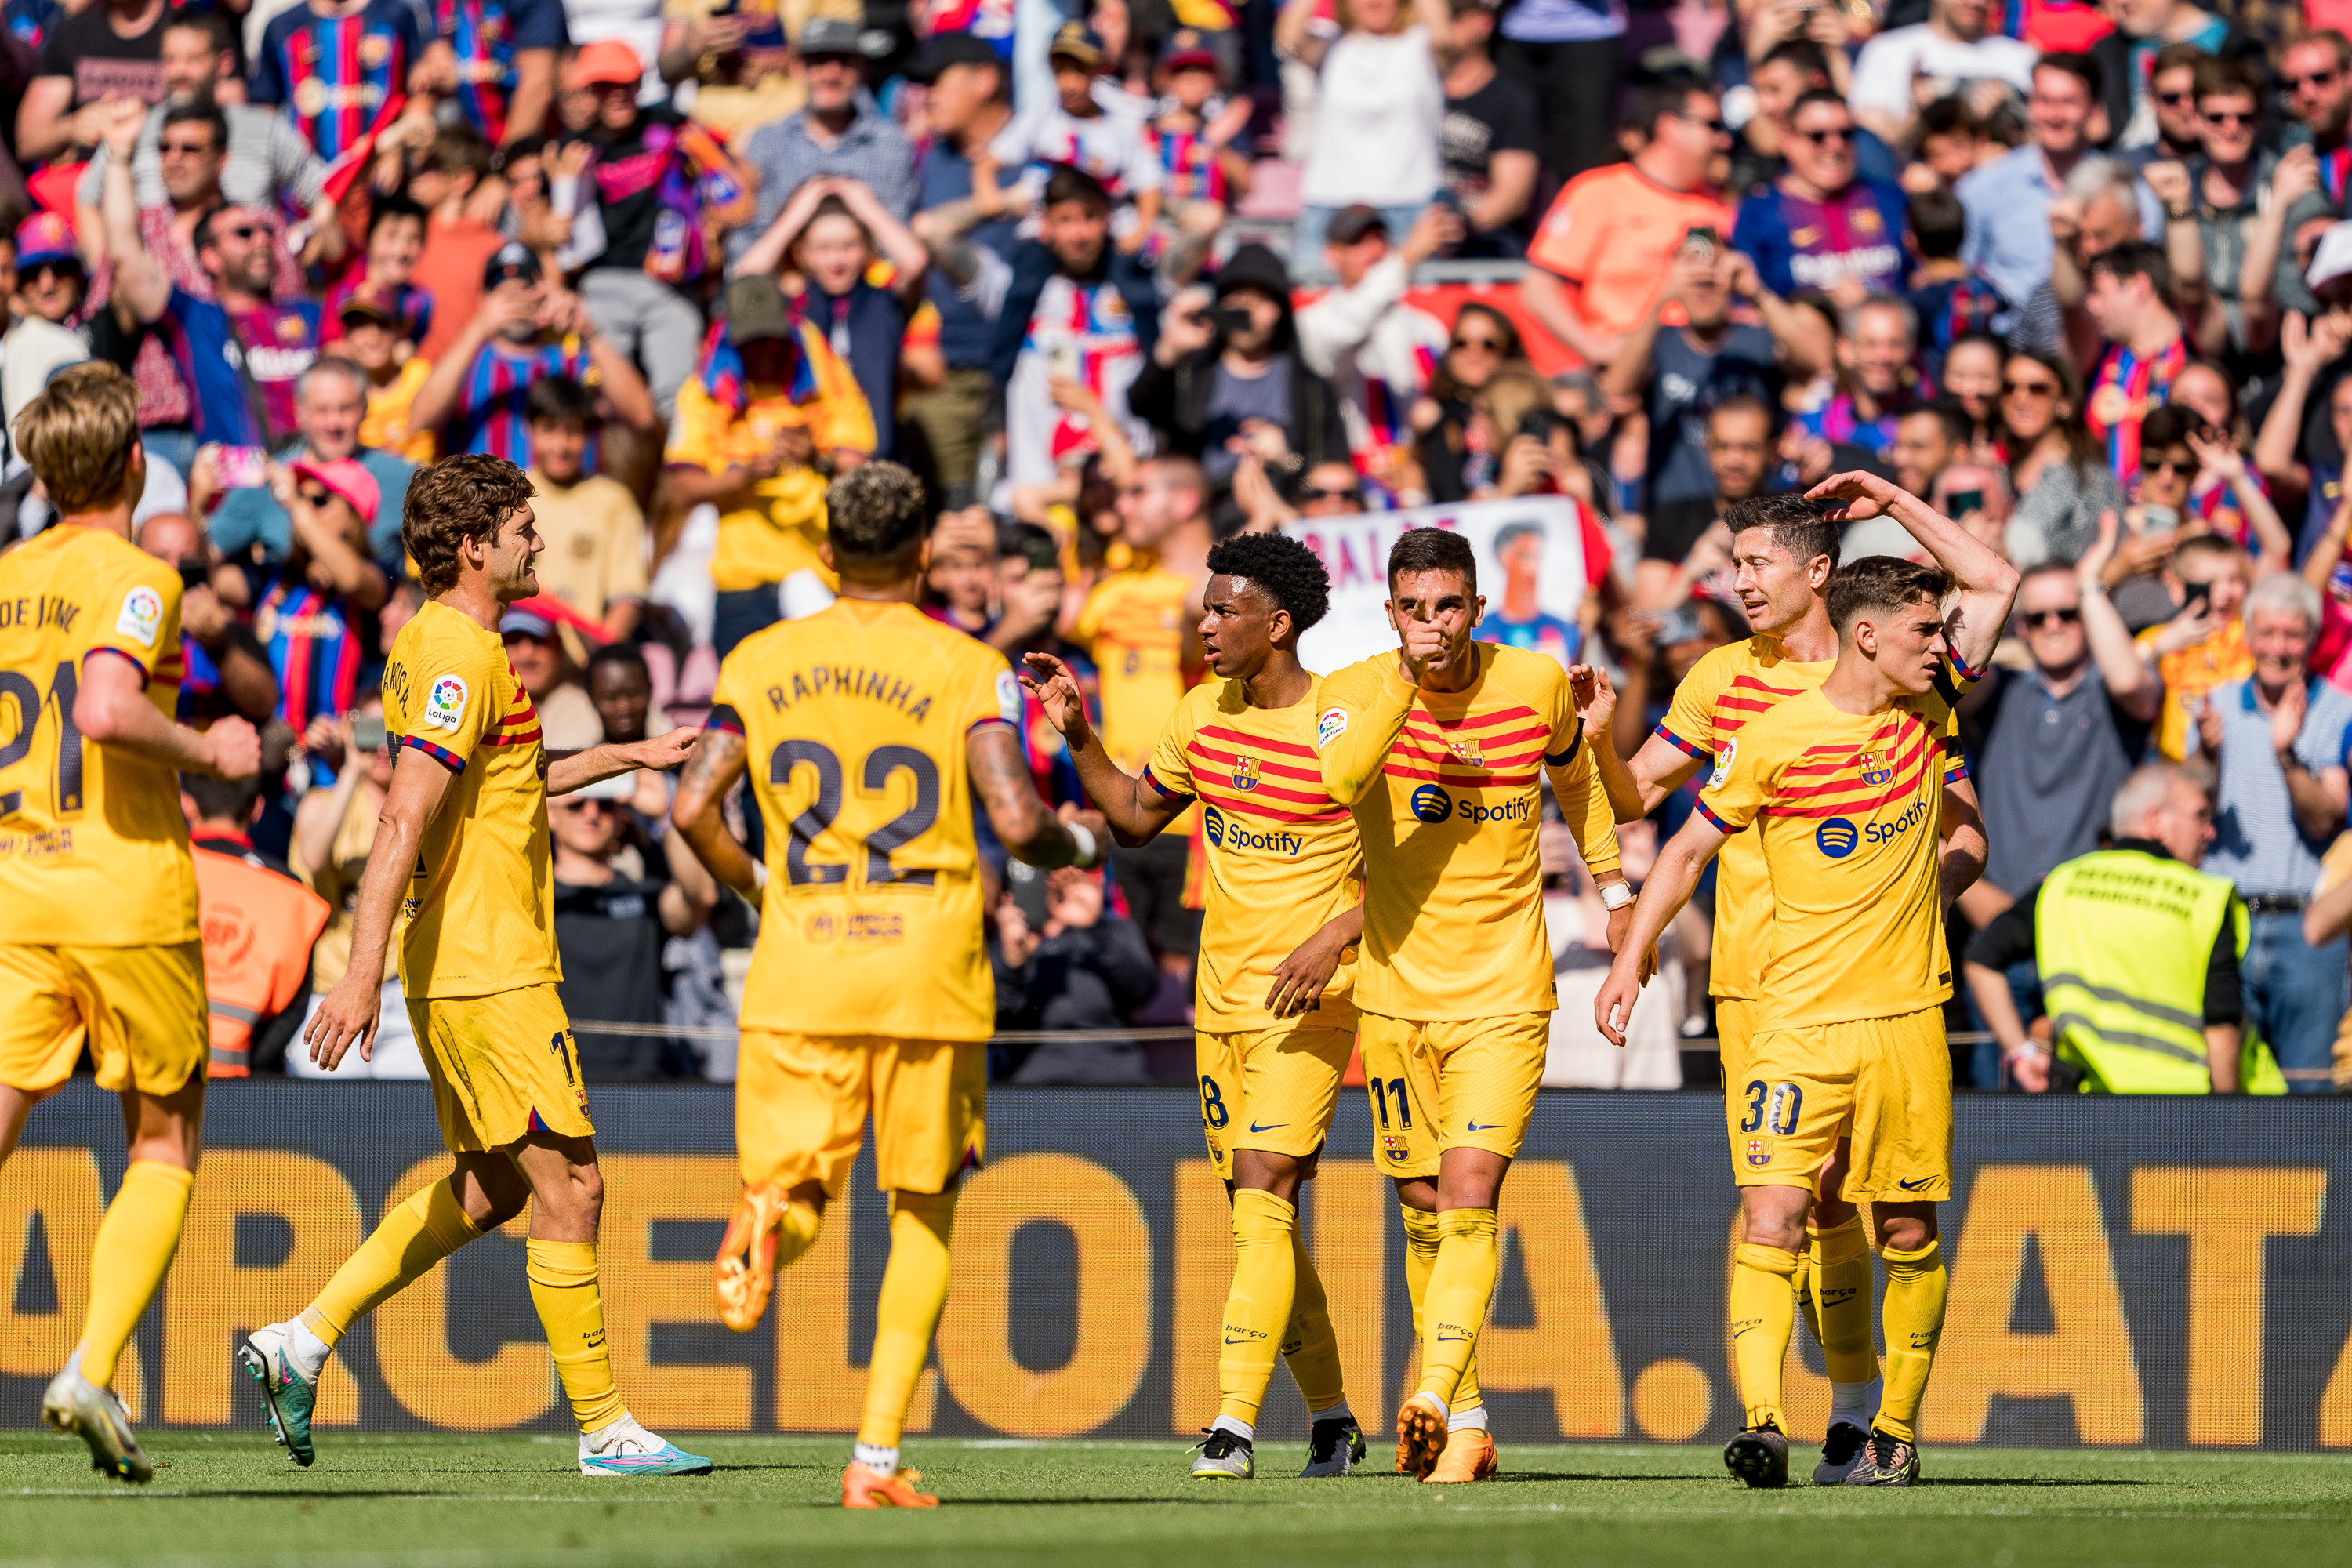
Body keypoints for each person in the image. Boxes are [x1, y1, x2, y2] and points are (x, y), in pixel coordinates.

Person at [238, 455, 709, 1478]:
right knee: (573, 1187)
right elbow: (405, 810)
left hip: (470, 962)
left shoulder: (457, 649)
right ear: (476, 545)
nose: (541, 544)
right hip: (488, 965)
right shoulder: (459, 652)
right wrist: (356, 973)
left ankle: (300, 1342)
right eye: (527, 530)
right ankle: (605, 1429)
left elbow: (512, 775)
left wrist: (631, 758)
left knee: (495, 1188)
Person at [668, 462, 1106, 1508]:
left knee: (802, 1184)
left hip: (800, 961)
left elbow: (690, 811)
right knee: (922, 1207)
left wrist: (761, 887)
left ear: (824, 557)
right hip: (927, 969)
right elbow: (1013, 817)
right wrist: (1083, 841)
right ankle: (874, 1457)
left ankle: (770, 1220)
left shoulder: (759, 658)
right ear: (922, 559)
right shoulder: (968, 666)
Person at [1599, 475, 2015, 1490]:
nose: (1735, 581)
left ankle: (1864, 1417)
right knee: (1791, 1204)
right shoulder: (1725, 687)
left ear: (1823, 578)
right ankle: (1774, 1422)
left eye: (1754, 563)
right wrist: (1587, 767)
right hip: (1764, 990)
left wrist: (1882, 494)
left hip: (1894, 993)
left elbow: (1967, 828)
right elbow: (1643, 804)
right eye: (1734, 564)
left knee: (1862, 1211)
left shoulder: (1920, 683)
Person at [1021, 531, 1370, 1479]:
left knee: (1264, 1188)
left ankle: (1232, 1423)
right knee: (1264, 1221)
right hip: (1219, 1006)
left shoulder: (1350, 721)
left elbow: (1419, 866)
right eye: (1205, 607)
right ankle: (1333, 1415)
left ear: (1278, 622)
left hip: (1312, 1002)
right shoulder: (1201, 713)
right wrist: (1078, 732)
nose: (1204, 622)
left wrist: (1335, 933)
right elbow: (1135, 818)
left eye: (1224, 609)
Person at [1313, 526, 1628, 1483]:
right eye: (1414, 607)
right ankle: (1472, 1421)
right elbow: (1340, 780)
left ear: (1477, 608)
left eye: (1448, 606)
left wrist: (1616, 895)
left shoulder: (1533, 682)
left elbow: (1576, 777)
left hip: (1504, 991)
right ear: (1392, 612)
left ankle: (1431, 1391)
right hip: (1397, 991)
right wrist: (1407, 686)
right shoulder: (1353, 691)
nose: (1432, 624)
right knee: (1420, 1205)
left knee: (1469, 1192)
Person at [0, 361, 260, 1484]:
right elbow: (106, 707)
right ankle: (92, 1366)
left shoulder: (6, 577)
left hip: (16, 890)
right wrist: (212, 751)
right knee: (161, 1140)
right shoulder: (139, 573)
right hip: (124, 895)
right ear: (134, 463)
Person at [1967, 762, 2284, 1094]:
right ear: (2156, 820)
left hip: (2092, 1110)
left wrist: (2021, 1054)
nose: (2210, 832)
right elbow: (2222, 1029)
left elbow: (1982, 959)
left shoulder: (2064, 884)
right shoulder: (2205, 897)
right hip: (2188, 1114)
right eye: (2200, 816)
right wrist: (2231, 1126)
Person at [2193, 571, 2352, 1092]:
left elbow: (2327, 816)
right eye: (2268, 633)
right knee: (2227, 1086)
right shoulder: (2217, 704)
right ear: (2247, 634)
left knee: (2309, 1087)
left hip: (2306, 927)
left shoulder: (2334, 710)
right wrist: (2207, 756)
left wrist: (2285, 754)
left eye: (2293, 634)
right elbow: (2188, 804)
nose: (2278, 648)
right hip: (2227, 918)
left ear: (2311, 639)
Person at [667, 272, 875, 660]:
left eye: (772, 337)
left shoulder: (828, 379)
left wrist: (817, 457)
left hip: (819, 574)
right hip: (740, 582)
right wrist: (741, 477)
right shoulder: (704, 392)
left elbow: (863, 477)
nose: (763, 350)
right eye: (751, 340)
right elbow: (681, 489)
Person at [100, 105, 321, 455]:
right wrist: (118, 154)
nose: (261, 241)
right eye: (165, 148)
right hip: (168, 432)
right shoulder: (192, 310)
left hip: (281, 442)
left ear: (222, 157)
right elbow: (125, 256)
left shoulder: (303, 307)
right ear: (209, 256)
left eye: (190, 148)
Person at [1078, 454, 1211, 978]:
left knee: (1186, 985)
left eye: (1138, 493)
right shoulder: (1113, 589)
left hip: (1197, 818)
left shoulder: (1234, 590)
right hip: (1122, 811)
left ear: (1184, 501)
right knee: (1127, 978)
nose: (1122, 504)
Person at [72, 9, 336, 257]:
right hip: (160, 291)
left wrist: (295, 259)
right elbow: (87, 198)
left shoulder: (264, 129)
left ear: (223, 63)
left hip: (246, 293)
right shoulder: (134, 129)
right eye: (170, 59)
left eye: (192, 59)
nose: (179, 71)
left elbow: (325, 194)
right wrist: (107, 274)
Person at [1602, 237, 1820, 526]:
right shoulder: (1660, 342)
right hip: (1674, 509)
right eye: (1693, 281)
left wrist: (1757, 293)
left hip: (1755, 510)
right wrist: (1660, 301)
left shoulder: (1757, 339)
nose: (1703, 291)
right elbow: (1616, 389)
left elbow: (1818, 361)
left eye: (1712, 280)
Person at [1519, 81, 1733, 371]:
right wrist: (1595, 349)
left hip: (1697, 369)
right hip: (1621, 369)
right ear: (1671, 127)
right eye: (1713, 125)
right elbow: (1539, 288)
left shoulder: (1716, 205)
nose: (1724, 140)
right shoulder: (1597, 191)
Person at [973, 166, 1163, 491]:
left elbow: (1208, 222)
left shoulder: (1146, 288)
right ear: (1044, 224)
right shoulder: (1011, 288)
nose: (1079, 235)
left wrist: (1141, 203)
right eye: (1065, 220)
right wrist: (1004, 200)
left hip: (1127, 493)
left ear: (1109, 219)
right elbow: (932, 232)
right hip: (1037, 500)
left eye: (1091, 217)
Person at [731, 175, 931, 463]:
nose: (837, 261)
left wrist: (866, 207)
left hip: (881, 459)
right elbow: (747, 279)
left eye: (849, 246)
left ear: (866, 248)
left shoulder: (883, 301)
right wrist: (795, 216)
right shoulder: (795, 306)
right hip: (815, 464)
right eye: (823, 249)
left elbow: (915, 262)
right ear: (802, 253)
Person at [1958, 55, 2161, 332]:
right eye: (2044, 101)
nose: (2054, 116)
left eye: (2068, 102)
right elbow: (1963, 274)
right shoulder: (1983, 188)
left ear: (2094, 110)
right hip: (2013, 348)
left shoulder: (2131, 194)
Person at [407, 243, 656, 467]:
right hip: (485, 512)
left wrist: (589, 333)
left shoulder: (571, 361)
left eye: (527, 291)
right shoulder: (466, 363)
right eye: (506, 294)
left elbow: (642, 415)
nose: (518, 303)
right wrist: (478, 328)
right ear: (484, 299)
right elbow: (420, 419)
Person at [902, 29, 1019, 498]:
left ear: (984, 81)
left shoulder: (1035, 149)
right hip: (941, 371)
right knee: (948, 512)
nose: (927, 97)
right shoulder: (930, 159)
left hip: (1023, 369)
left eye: (938, 83)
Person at [1131, 242, 1350, 490]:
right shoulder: (1189, 374)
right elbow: (1139, 405)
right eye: (1237, 301)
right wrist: (1169, 350)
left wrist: (1288, 460)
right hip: (1206, 518)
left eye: (1260, 301)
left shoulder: (1313, 391)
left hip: (1283, 517)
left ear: (1280, 310)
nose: (1248, 313)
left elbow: (1337, 478)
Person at [550, 775, 719, 1080]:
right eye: (576, 804)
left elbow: (701, 895)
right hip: (556, 1083)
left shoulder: (644, 897)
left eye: (605, 804)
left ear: (621, 816)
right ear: (551, 813)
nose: (591, 813)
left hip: (642, 1085)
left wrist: (665, 818)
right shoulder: (530, 899)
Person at [180, 769, 333, 1079]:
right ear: (257, 808)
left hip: (152, 1076)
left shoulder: (157, 870)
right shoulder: (293, 894)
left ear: (186, 804)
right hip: (243, 1087)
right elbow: (292, 1012)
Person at [1290, 208, 1454, 498]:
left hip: (1426, 481)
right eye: (1357, 241)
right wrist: (1403, 260)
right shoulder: (1314, 323)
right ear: (1331, 254)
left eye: (1379, 238)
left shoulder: (1427, 327)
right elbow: (1349, 327)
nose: (1372, 249)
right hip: (1355, 488)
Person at [731, 15, 918, 265]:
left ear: (862, 69)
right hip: (785, 287)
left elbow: (901, 256)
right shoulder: (768, 141)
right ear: (799, 69)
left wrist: (864, 207)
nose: (831, 74)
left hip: (867, 287)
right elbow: (744, 251)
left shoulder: (890, 144)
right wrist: (795, 215)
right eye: (818, 62)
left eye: (844, 62)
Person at [205, 358, 417, 572]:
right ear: (300, 412)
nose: (333, 423)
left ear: (365, 409)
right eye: (321, 410)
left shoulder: (403, 477)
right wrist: (197, 503)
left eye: (345, 409)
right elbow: (209, 555)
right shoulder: (268, 477)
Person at [1277, 0, 1448, 263]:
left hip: (1408, 200)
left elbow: (1444, 36)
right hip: (1332, 199)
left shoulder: (1420, 44)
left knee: (1415, 299)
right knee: (1313, 294)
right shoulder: (1331, 44)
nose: (1373, 2)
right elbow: (1288, 38)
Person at [984, 21, 1164, 245]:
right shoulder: (1039, 118)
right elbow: (989, 163)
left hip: (1105, 238)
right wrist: (991, 196)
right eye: (1061, 71)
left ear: (1098, 70)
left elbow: (1149, 183)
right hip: (1044, 238)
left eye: (1079, 71)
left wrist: (1140, 232)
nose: (1068, 83)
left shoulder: (1120, 126)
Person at [1734, 89, 1910, 305]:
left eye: (1845, 134)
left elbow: (1921, 282)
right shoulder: (1758, 215)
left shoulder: (1891, 200)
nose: (1835, 146)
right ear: (1788, 140)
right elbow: (1748, 309)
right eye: (1818, 136)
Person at [521, 376, 646, 665]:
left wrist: (597, 662)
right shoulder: (511, 497)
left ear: (588, 435)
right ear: (529, 429)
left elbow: (628, 597)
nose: (561, 445)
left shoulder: (614, 501)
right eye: (549, 430)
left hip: (581, 665)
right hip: (516, 660)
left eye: (573, 432)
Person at [1846, 0, 2037, 154]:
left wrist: (2009, 118)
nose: (1977, 3)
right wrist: (1921, 115)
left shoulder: (2023, 59)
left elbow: (2050, 147)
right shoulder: (1887, 50)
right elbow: (1870, 150)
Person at [250, 0, 426, 166]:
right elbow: (265, 112)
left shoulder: (397, 16)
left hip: (384, 184)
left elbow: (421, 95)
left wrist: (396, 150)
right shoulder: (282, 27)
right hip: (306, 186)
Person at [2002, 346, 2124, 568]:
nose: (2021, 399)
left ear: (2064, 403)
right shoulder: (2000, 470)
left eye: (2037, 389)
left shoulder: (2089, 477)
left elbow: (2106, 555)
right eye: (2009, 388)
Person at [1436, 0, 1539, 257]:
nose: (1435, 23)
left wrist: (1450, 232)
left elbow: (1512, 196)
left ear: (1483, 22)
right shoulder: (1410, 90)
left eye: (1452, 15)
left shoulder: (1511, 99)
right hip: (1407, 229)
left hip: (1476, 235)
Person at [2082, 241, 2190, 486]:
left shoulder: (2193, 354)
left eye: (2098, 292)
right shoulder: (2099, 357)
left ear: (2140, 286)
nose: (2091, 305)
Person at [15, 0, 169, 167]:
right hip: (86, 178)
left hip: (161, 174)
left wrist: (146, 125)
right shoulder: (73, 35)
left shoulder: (184, 30)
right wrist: (71, 128)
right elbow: (27, 141)